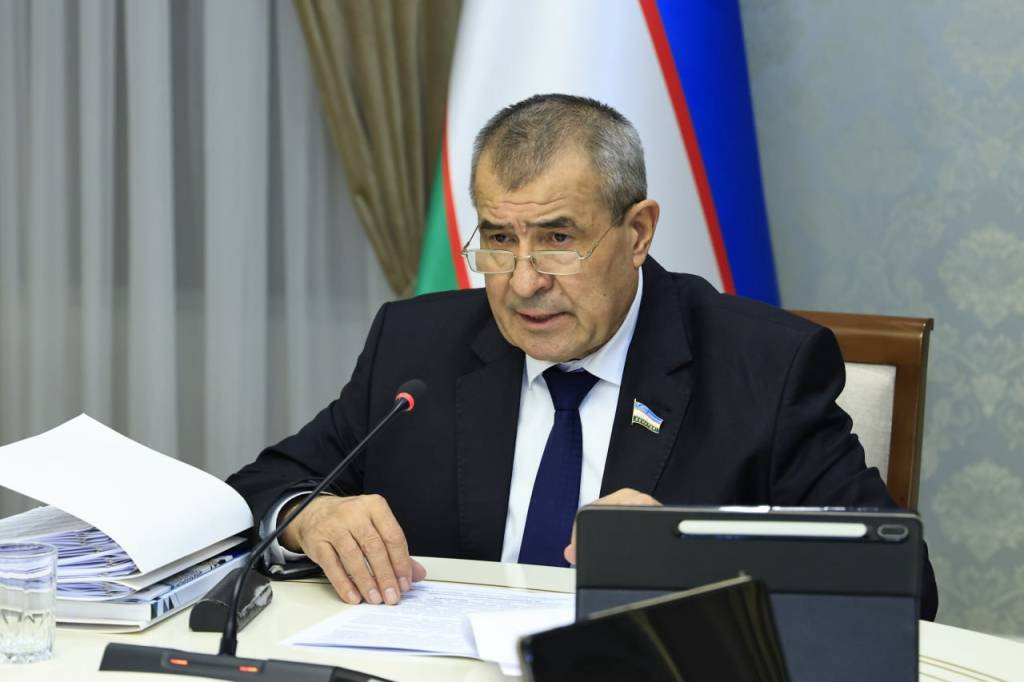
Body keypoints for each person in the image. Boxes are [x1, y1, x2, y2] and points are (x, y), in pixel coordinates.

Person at [226, 94, 938, 618]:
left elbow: (903, 584)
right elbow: (260, 486)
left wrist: (695, 554)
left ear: (638, 233)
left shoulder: (764, 365)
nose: (523, 282)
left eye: (558, 239)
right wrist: (308, 517)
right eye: (499, 239)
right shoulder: (416, 345)